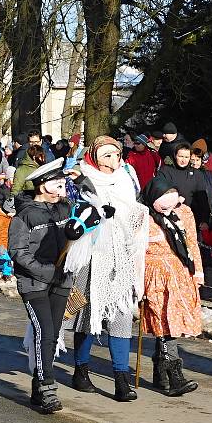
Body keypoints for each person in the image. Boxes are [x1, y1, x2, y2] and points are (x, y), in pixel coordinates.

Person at [66, 136, 149, 401]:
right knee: (86, 315)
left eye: (116, 155)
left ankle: (121, 379)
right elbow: (75, 214)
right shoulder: (82, 179)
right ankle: (81, 370)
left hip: (120, 256)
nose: (113, 161)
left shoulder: (125, 179)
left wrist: (138, 217)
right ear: (94, 158)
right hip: (91, 256)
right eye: (107, 156)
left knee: (121, 316)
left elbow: (131, 211)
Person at [9, 158, 72, 413]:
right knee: (44, 332)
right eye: (57, 184)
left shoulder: (65, 209)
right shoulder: (25, 215)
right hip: (34, 283)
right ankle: (47, 387)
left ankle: (38, 385)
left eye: (63, 183)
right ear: (42, 186)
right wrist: (47, 272)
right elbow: (18, 252)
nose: (62, 188)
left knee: (54, 334)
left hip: (62, 280)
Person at [141, 178, 201, 396]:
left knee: (171, 320)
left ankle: (161, 373)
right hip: (154, 273)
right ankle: (175, 375)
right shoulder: (144, 218)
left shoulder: (184, 213)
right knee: (163, 320)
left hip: (179, 272)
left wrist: (197, 271)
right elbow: (135, 251)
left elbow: (191, 242)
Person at [156, 143, 212, 226]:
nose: (183, 160)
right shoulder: (165, 171)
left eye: (186, 157)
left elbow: (202, 199)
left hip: (192, 219)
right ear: (175, 155)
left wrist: (204, 220)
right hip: (169, 218)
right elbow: (158, 191)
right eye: (181, 156)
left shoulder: (197, 174)